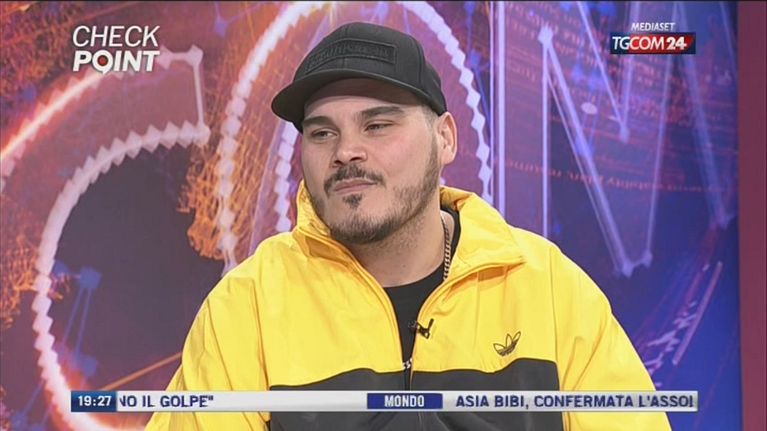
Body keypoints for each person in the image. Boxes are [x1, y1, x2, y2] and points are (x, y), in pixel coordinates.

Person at [147, 22, 670, 431]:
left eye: (378, 124)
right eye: (322, 133)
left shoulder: (548, 290)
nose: (346, 151)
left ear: (446, 138)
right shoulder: (250, 305)